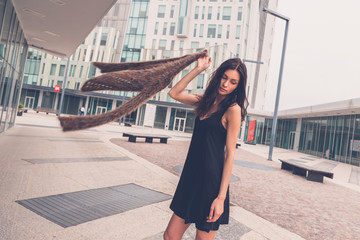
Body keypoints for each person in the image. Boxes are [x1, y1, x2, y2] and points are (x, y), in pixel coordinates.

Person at [164, 55, 248, 240]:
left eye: (233, 82)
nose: (226, 84)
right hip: (191, 177)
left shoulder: (232, 110)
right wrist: (198, 69)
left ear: (238, 86)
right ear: (218, 76)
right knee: (170, 236)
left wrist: (221, 198)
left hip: (211, 184)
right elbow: (174, 93)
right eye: (224, 77)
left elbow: (230, 154)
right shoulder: (205, 101)